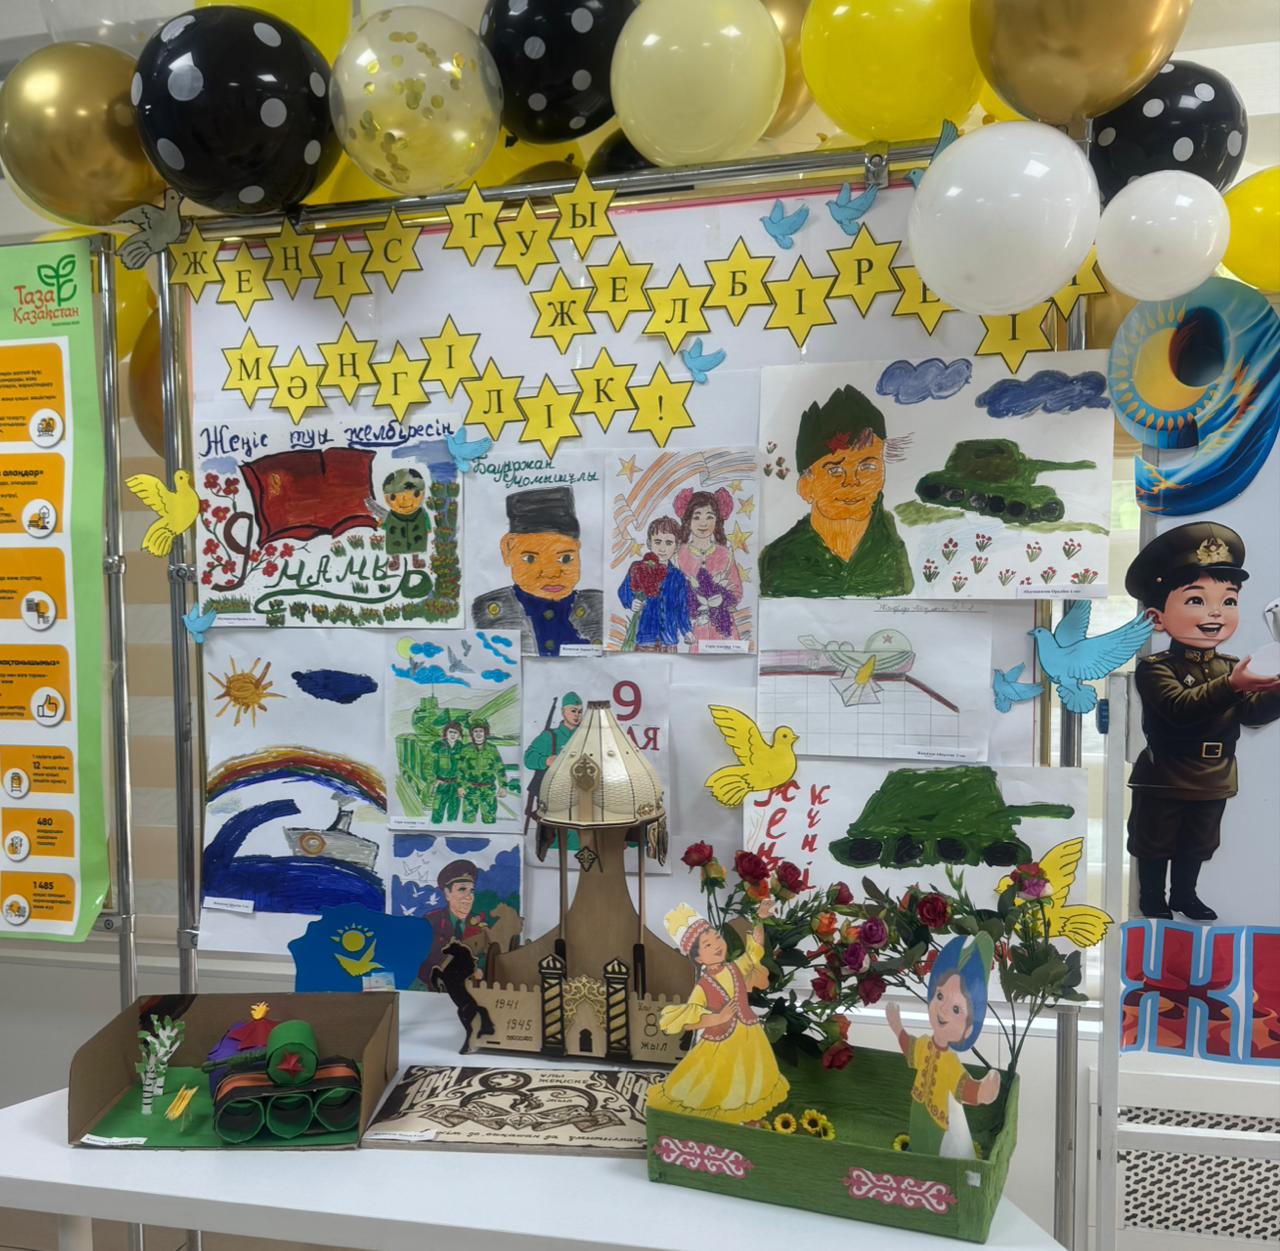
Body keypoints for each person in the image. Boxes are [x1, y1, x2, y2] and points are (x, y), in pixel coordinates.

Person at [1124, 522, 1280, 921]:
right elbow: (1179, 707)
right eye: (1196, 600)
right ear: (1157, 618)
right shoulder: (1156, 668)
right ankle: (1152, 897)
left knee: (1198, 842)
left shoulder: (1231, 666)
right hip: (1167, 774)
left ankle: (1185, 895)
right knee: (1155, 842)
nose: (1215, 612)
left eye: (1228, 601)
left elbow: (1251, 714)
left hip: (1214, 775)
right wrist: (1233, 685)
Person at [760, 384, 912, 598]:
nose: (852, 482)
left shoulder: (893, 549)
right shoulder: (780, 562)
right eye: (835, 470)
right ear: (805, 485)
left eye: (868, 467)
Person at [645, 899, 789, 1124]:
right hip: (721, 1042)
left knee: (750, 1078)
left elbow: (754, 951)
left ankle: (748, 1117)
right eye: (708, 945)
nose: (717, 945)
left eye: (716, 938)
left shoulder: (735, 968)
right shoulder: (703, 986)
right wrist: (718, 1018)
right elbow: (689, 1021)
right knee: (717, 1084)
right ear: (698, 957)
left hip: (749, 1036)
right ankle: (720, 1119)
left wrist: (759, 919)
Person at [885, 935, 999, 1158]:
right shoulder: (925, 1043)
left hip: (939, 1120)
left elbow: (962, 1087)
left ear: (968, 1029)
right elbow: (911, 1050)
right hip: (918, 1106)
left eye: (956, 1009)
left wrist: (982, 1092)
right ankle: (915, 1156)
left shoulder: (950, 1062)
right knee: (917, 1135)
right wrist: (898, 1028)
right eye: (940, 996)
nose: (943, 1009)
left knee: (934, 1146)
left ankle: (930, 1166)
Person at [471, 486, 602, 656]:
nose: (551, 573)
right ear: (507, 550)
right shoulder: (488, 614)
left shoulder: (598, 607)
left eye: (565, 558)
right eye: (530, 559)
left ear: (578, 549)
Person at [674, 488, 743, 650]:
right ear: (688, 521)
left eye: (709, 517)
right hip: (694, 629)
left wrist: (722, 598)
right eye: (697, 517)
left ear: (717, 521)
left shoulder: (725, 554)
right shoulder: (678, 555)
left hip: (724, 629)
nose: (703, 523)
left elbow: (737, 591)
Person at [617, 515, 692, 652]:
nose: (662, 548)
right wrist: (631, 601)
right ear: (649, 543)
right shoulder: (638, 568)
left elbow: (682, 608)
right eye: (658, 542)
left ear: (677, 546)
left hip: (669, 638)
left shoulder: (678, 577)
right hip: (645, 635)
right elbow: (624, 590)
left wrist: (687, 630)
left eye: (668, 543)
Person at [415, 859, 490, 987]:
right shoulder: (431, 922)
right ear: (447, 893)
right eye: (462, 889)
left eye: (471, 890)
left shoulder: (481, 925)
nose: (469, 896)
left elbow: (489, 958)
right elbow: (419, 962)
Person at [460, 719, 511, 824]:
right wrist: (460, 787)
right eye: (476, 731)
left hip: (488, 791)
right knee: (468, 822)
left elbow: (500, 768)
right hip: (470, 790)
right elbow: (460, 770)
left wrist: (503, 786)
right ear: (472, 733)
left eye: (481, 731)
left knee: (489, 821)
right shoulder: (465, 749)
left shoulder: (492, 749)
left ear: (485, 733)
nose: (478, 734)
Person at [378, 467, 431, 557]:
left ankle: (416, 558)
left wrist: (428, 527)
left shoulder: (421, 513)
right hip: (396, 543)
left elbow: (426, 522)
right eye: (393, 497)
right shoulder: (391, 516)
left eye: (415, 494)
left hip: (417, 541)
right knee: (395, 550)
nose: (404, 501)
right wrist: (381, 524)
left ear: (422, 494)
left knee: (417, 549)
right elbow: (387, 525)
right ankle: (396, 559)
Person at [430, 721, 464, 824]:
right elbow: (430, 765)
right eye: (451, 732)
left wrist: (461, 786)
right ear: (446, 733)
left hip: (455, 785)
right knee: (437, 811)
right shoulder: (438, 746)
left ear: (459, 734)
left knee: (453, 812)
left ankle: (451, 826)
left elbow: (464, 769)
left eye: (456, 732)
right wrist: (434, 781)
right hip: (441, 784)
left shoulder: (462, 748)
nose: (453, 735)